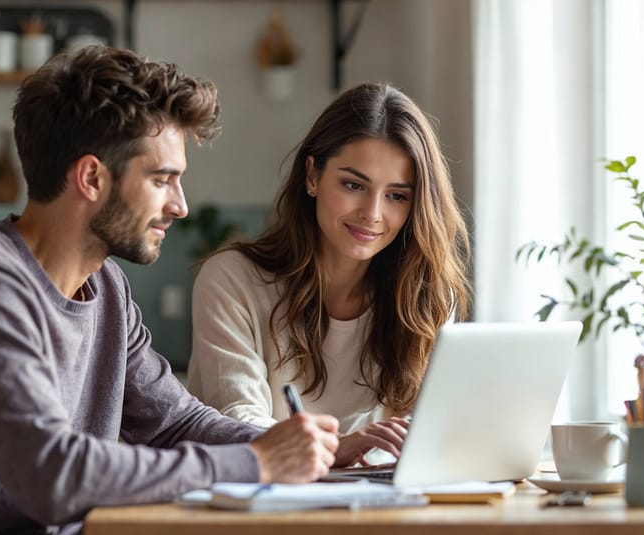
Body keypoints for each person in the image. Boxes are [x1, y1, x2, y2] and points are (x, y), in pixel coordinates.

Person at [0, 46, 340, 535]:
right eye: (161, 180)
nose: (180, 206)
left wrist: (300, 446)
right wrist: (255, 462)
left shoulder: (105, 285)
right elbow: (52, 476)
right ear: (91, 177)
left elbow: (173, 422)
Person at [187, 82, 471, 467]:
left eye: (396, 195)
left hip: (385, 514)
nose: (372, 213)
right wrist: (335, 448)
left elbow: (435, 433)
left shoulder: (430, 299)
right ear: (312, 176)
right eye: (354, 185)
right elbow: (235, 421)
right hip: (264, 514)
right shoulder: (232, 280)